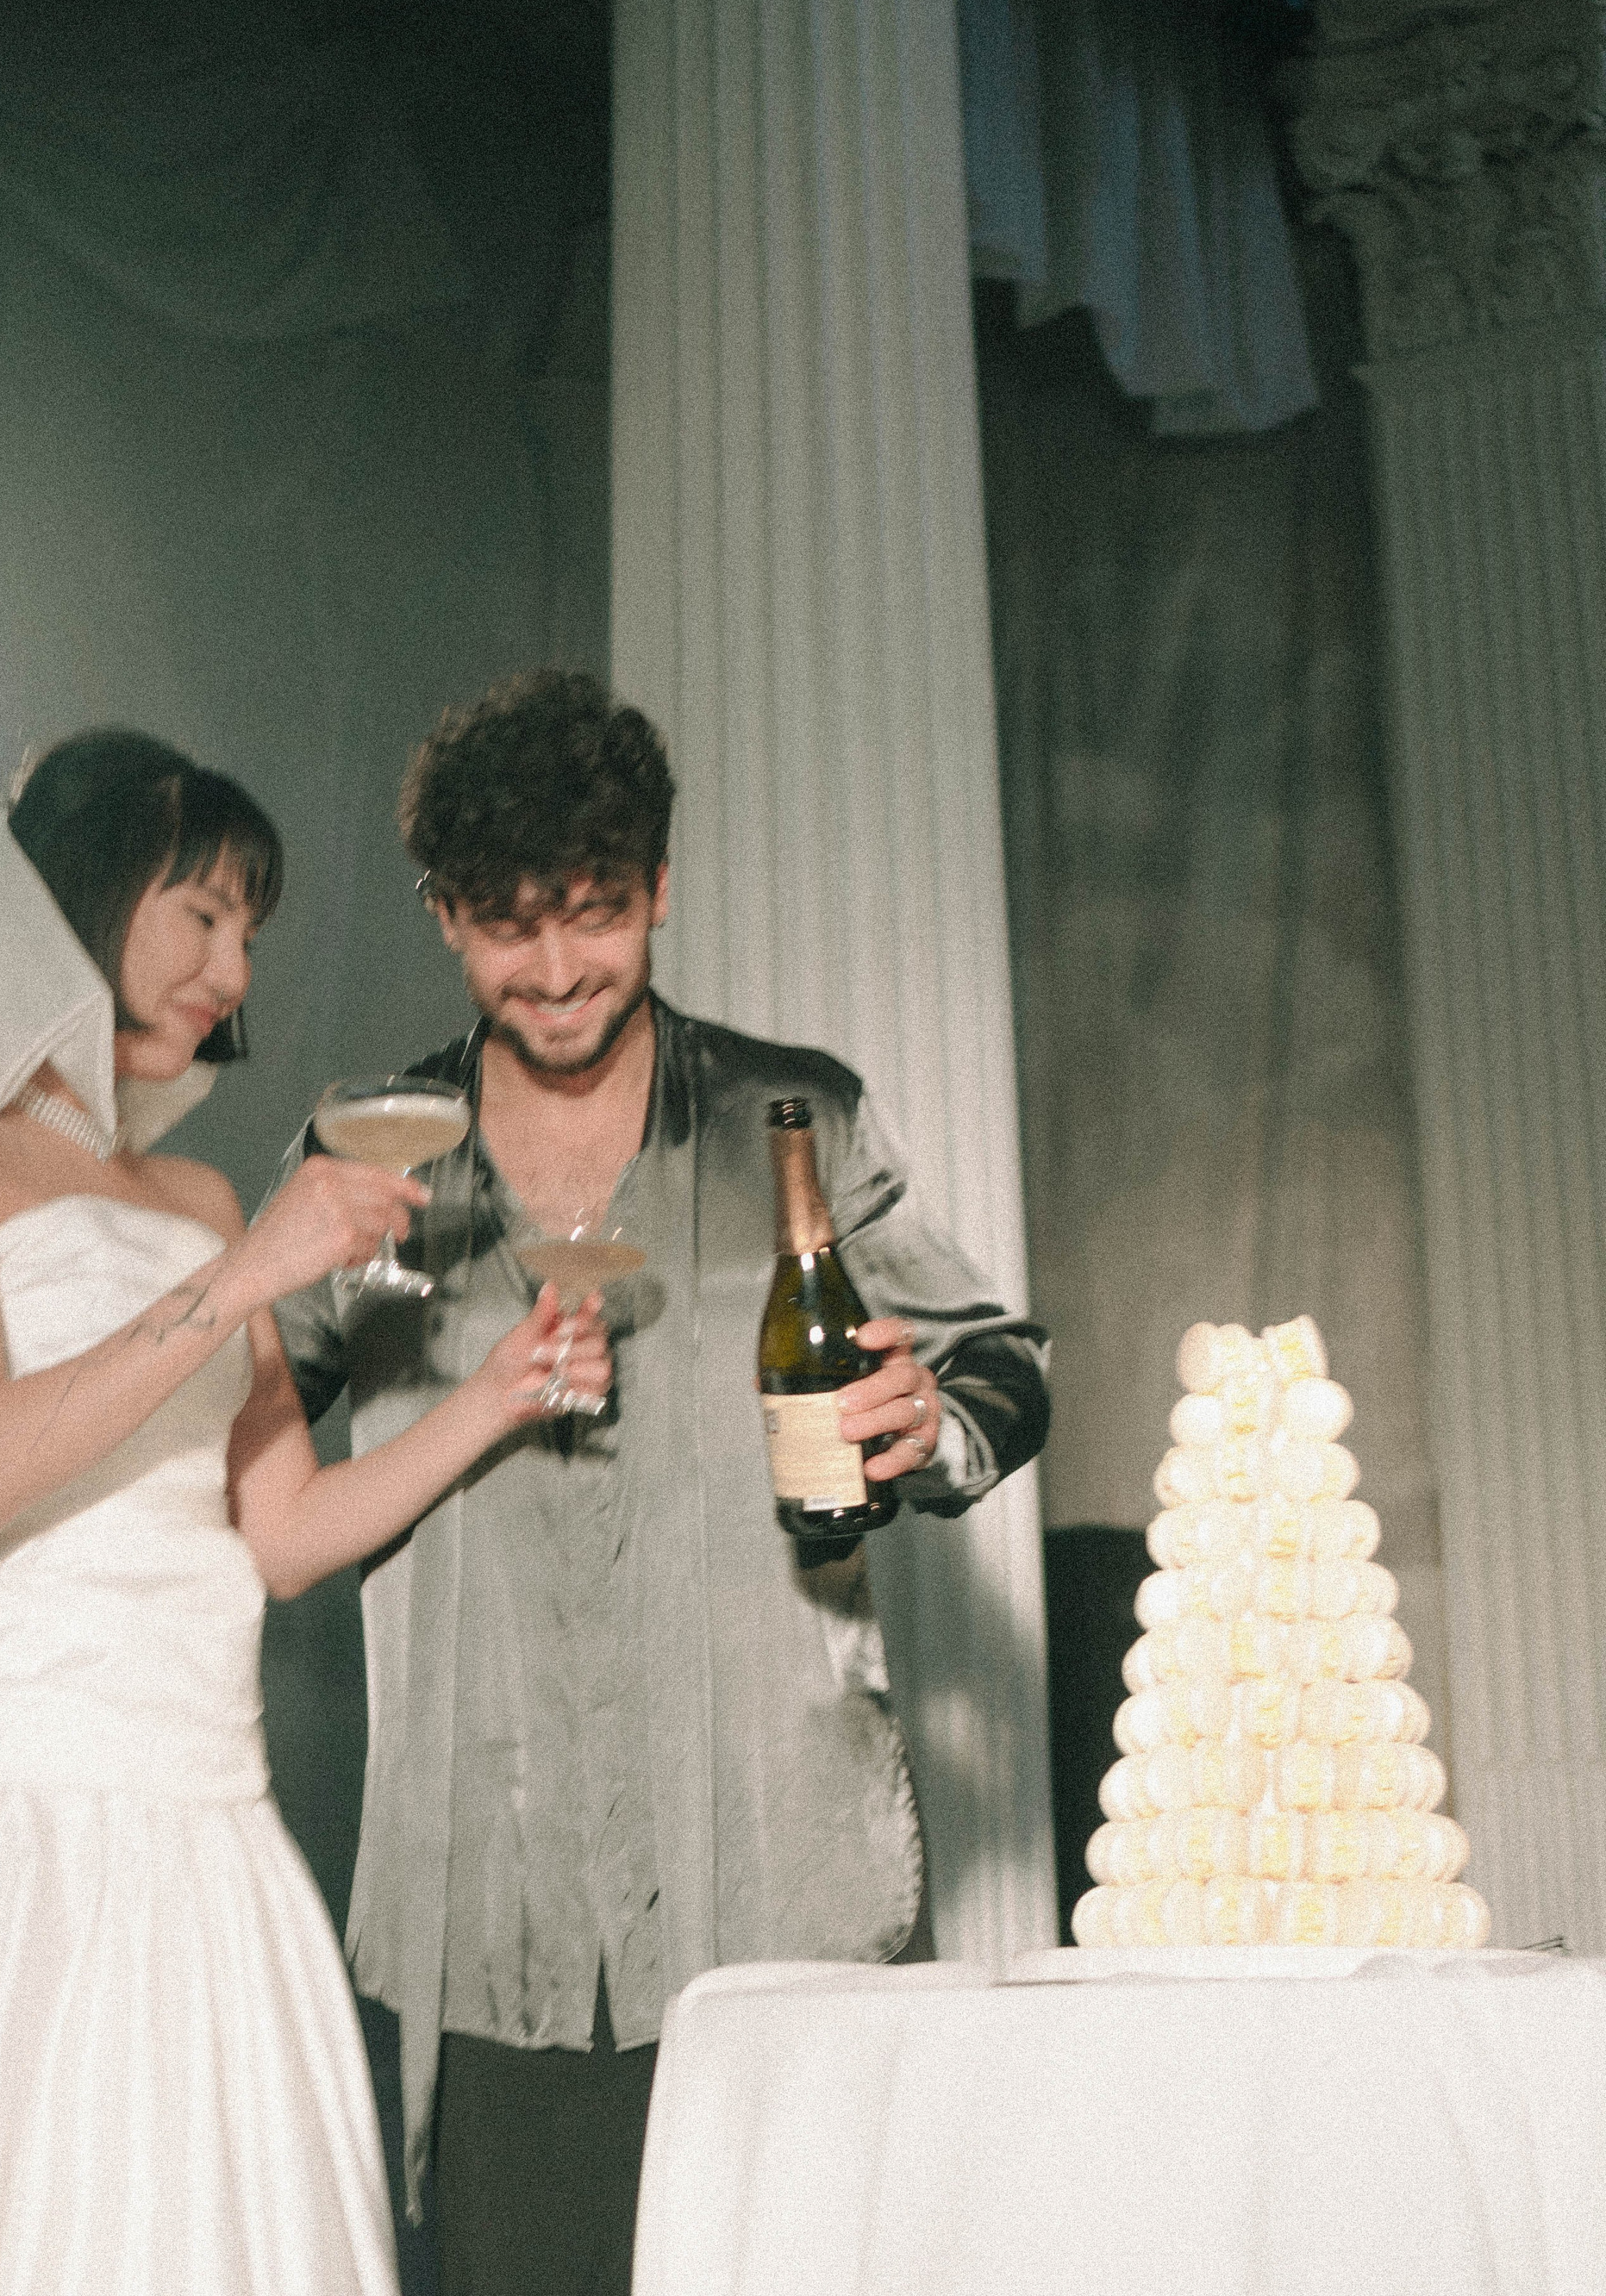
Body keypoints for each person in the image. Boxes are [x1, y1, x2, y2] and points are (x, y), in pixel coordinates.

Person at [268, 670, 1051, 2296]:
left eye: (598, 913)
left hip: (784, 1869)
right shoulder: (368, 1159)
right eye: (509, 926)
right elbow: (240, 1446)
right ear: (444, 916)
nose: (558, 970)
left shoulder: (796, 1118)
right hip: (491, 1896)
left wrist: (932, 1421)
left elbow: (998, 1364)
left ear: (662, 889)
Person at [0, 729, 609, 2296]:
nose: (235, 972)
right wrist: (252, 1271)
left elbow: (282, 1533)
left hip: (216, 1834)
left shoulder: (192, 1198)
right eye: (203, 916)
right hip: (38, 1820)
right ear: (78, 899)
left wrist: (497, 1395)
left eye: (250, 932)